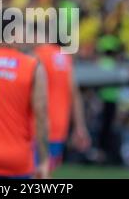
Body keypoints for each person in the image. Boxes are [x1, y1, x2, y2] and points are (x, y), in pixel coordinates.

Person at [0, 12, 50, 179]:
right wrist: (44, 161)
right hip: (18, 162)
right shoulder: (32, 66)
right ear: (13, 32)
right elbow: (42, 115)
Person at [34, 42, 91, 171]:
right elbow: (75, 94)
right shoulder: (65, 58)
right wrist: (80, 126)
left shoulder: (37, 56)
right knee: (46, 172)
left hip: (37, 127)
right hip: (59, 129)